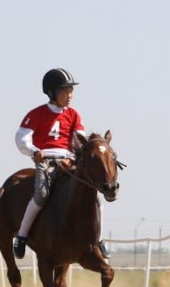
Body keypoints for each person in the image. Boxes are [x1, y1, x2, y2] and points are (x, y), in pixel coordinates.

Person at [12, 68, 108, 260]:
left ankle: (99, 239)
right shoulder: (37, 114)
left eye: (71, 91)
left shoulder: (73, 115)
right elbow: (21, 138)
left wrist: (73, 157)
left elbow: (79, 141)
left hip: (68, 162)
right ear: (51, 92)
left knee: (95, 196)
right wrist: (34, 151)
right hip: (45, 161)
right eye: (65, 91)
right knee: (42, 194)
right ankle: (21, 236)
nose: (70, 95)